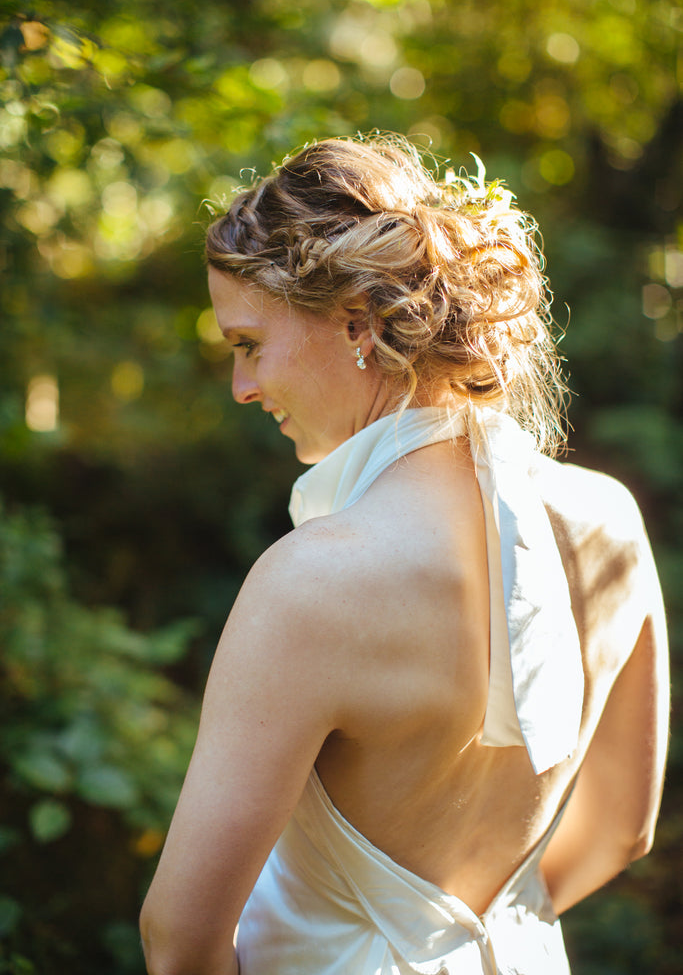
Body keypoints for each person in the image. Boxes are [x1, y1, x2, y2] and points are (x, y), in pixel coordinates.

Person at [139, 135, 669, 975]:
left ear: (357, 324)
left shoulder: (309, 582)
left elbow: (179, 939)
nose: (241, 387)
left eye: (247, 346)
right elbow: (619, 831)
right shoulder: (609, 521)